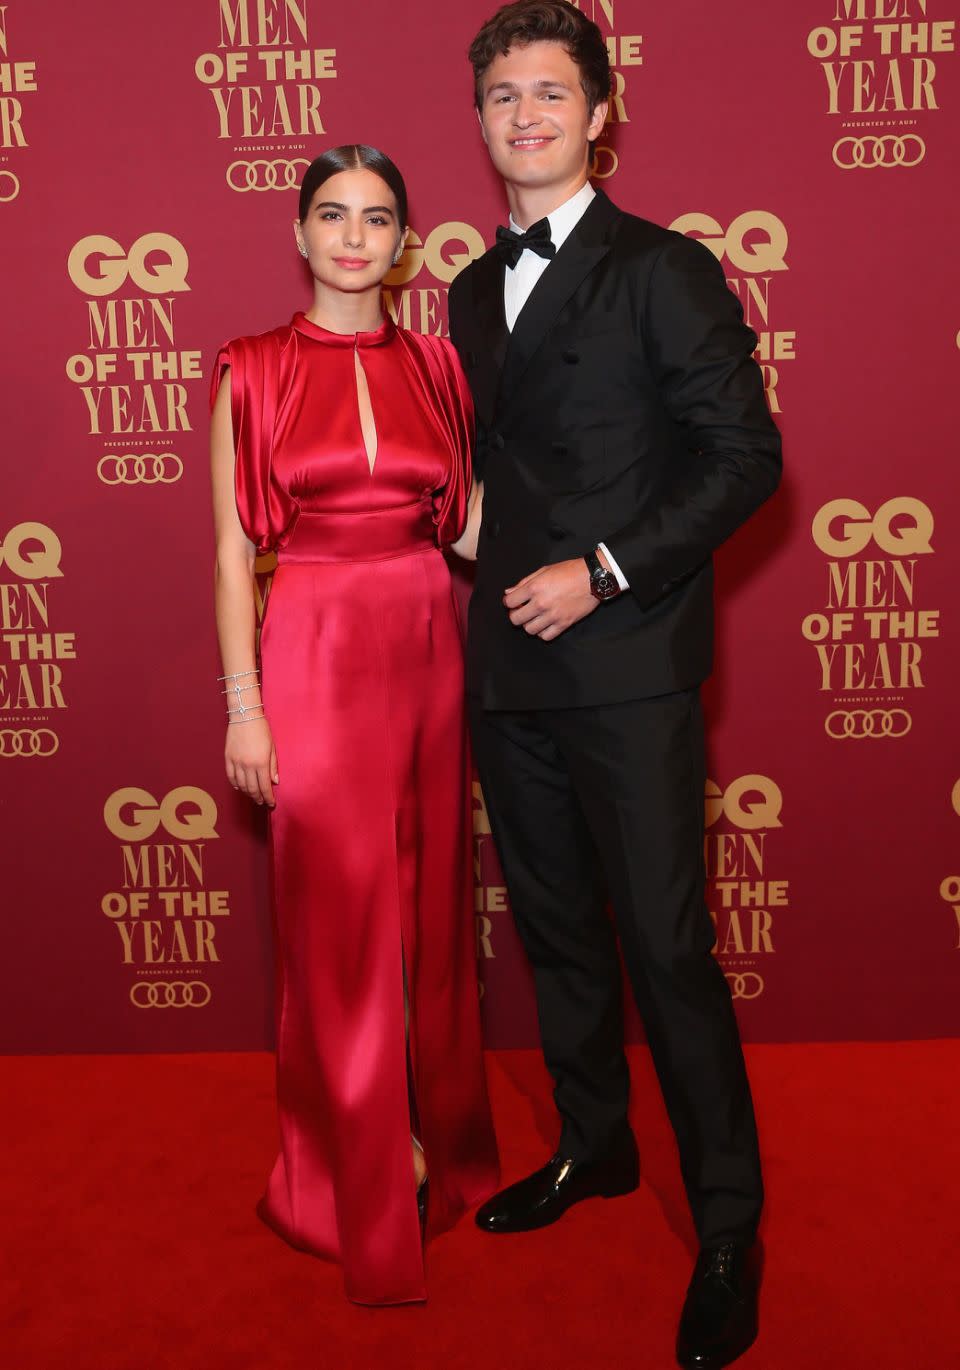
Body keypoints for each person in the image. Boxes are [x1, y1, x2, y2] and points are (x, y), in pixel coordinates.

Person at [447, 3, 781, 1366]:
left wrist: (603, 567)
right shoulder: (468, 288)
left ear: (599, 117)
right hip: (507, 663)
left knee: (665, 945)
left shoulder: (666, 269)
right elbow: (489, 474)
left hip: (630, 662)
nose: (523, 114)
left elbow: (743, 458)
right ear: (479, 121)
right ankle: (597, 1147)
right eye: (500, 96)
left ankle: (729, 1223)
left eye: (548, 92)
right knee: (557, 934)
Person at [209, 144, 498, 1307]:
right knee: (338, 923)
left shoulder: (439, 362)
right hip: (315, 648)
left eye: (378, 219)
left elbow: (473, 528)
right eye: (332, 214)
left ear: (405, 242)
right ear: (299, 231)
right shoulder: (253, 367)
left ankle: (437, 1141)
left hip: (427, 647)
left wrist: (619, 536)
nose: (353, 237)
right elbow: (234, 551)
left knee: (426, 908)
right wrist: (245, 704)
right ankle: (352, 1171)